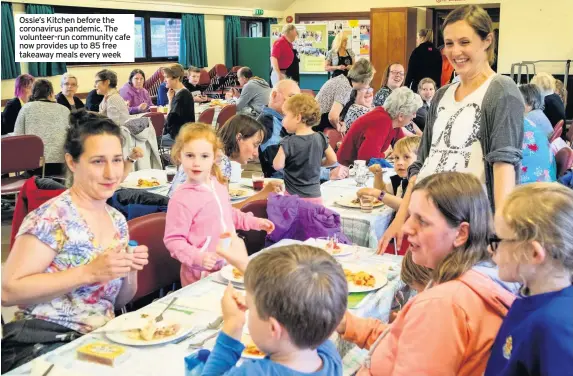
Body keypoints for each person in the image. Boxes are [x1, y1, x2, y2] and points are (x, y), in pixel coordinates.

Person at [1, 110, 150, 372]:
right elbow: (8, 291)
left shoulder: (116, 220)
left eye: (116, 160)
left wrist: (129, 270)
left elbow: (116, 302)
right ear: (72, 162)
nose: (110, 172)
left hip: (100, 340)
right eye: (97, 161)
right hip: (45, 341)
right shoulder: (52, 218)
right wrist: (88, 272)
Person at [337, 172, 515, 376]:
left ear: (461, 233)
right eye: (410, 215)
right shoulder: (477, 278)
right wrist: (348, 324)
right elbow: (405, 344)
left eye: (422, 221)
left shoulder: (443, 305)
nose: (406, 227)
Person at [381, 5, 525, 253]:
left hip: (466, 226)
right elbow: (423, 162)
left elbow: (503, 165)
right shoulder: (441, 95)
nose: (455, 51)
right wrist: (400, 217)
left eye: (464, 41)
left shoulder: (500, 90)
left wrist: (501, 234)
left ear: (487, 41)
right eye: (449, 43)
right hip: (426, 221)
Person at [202, 244, 346, 375]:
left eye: (250, 308)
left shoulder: (253, 373)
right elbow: (307, 298)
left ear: (273, 328)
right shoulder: (330, 356)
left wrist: (232, 325)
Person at [163, 123, 274, 286]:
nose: (196, 163)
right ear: (179, 156)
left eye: (204, 156)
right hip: (200, 275)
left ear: (215, 157)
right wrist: (197, 257)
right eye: (190, 155)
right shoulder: (181, 198)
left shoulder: (218, 185)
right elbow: (173, 240)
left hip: (226, 266)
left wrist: (255, 222)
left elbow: (228, 213)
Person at [485, 183, 573, 376]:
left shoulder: (556, 326)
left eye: (498, 241)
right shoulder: (531, 297)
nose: (490, 249)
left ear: (533, 253)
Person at [168, 115, 284, 209]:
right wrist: (262, 194)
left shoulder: (210, 153)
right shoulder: (219, 160)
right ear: (239, 138)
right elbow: (223, 213)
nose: (256, 153)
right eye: (255, 145)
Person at [273, 94, 337, 204]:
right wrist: (318, 163)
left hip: (293, 200)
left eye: (285, 116)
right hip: (316, 198)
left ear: (298, 117)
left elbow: (277, 165)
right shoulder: (321, 137)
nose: (283, 121)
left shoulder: (288, 142)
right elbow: (333, 160)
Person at [337, 87, 422, 167]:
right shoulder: (381, 121)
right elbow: (368, 159)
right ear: (401, 116)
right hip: (346, 171)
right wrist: (386, 153)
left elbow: (403, 148)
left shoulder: (393, 122)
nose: (414, 116)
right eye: (413, 112)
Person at [14, 79, 70, 176]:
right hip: (63, 167)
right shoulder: (65, 110)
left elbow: (17, 138)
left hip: (35, 168)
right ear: (51, 93)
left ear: (33, 93)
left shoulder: (26, 108)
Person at [358, 136, 421, 211]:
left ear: (420, 159)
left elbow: (407, 206)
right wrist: (378, 175)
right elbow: (383, 190)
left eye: (406, 157)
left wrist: (375, 193)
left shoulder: (420, 183)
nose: (399, 163)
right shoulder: (399, 179)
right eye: (397, 158)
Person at [315, 58, 374, 133]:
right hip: (316, 123)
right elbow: (332, 117)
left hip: (317, 118)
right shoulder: (346, 86)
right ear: (364, 80)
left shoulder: (344, 80)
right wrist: (340, 128)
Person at [257, 79, 301, 178]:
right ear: (274, 95)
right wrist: (325, 173)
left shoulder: (286, 121)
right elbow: (278, 167)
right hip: (283, 184)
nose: (297, 104)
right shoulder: (268, 123)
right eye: (291, 97)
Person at [161, 64, 195, 147]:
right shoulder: (183, 93)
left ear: (176, 78)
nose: (164, 80)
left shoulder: (181, 96)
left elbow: (169, 122)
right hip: (184, 134)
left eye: (166, 77)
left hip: (178, 137)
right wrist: (171, 99)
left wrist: (170, 101)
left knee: (150, 141)